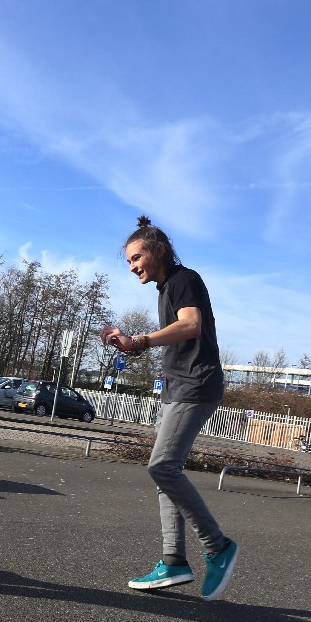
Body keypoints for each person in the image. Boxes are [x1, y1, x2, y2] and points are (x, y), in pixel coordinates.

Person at [100, 215, 238, 600]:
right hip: (177, 387)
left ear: (159, 251)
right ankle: (174, 560)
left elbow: (191, 325)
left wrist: (141, 341)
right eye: (129, 261)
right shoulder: (166, 288)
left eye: (136, 258)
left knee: (161, 466)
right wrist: (129, 343)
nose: (132, 267)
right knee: (166, 474)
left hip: (196, 384)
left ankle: (218, 546)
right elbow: (177, 334)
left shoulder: (183, 280)